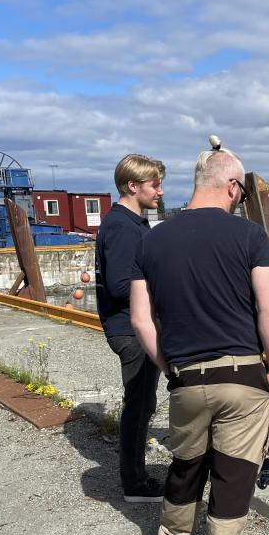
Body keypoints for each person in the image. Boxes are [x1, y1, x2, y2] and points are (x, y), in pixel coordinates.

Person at [131, 136, 269, 535]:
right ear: (233, 187)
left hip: (185, 376)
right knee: (235, 470)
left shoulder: (152, 241)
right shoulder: (249, 235)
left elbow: (140, 318)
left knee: (187, 460)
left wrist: (169, 365)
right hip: (241, 375)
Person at [96, 154, 166, 503]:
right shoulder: (123, 227)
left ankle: (134, 475)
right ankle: (135, 483)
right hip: (130, 328)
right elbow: (121, 285)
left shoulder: (132, 222)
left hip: (133, 325)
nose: (160, 191)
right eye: (155, 185)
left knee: (143, 402)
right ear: (132, 186)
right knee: (139, 403)